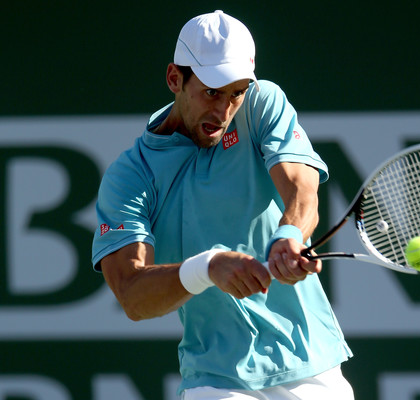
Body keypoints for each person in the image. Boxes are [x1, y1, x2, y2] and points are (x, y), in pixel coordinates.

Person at [91, 10, 353, 400]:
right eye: (212, 92)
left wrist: (289, 235)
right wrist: (208, 267)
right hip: (216, 380)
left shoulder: (262, 103)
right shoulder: (131, 176)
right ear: (174, 79)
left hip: (313, 367)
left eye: (236, 92)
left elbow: (302, 188)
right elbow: (132, 295)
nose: (224, 110)